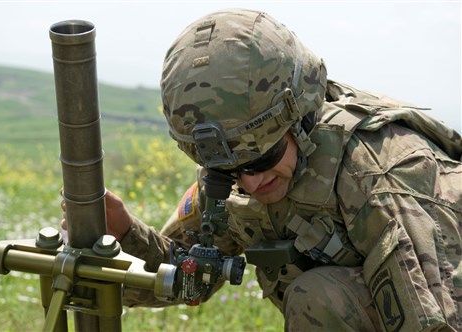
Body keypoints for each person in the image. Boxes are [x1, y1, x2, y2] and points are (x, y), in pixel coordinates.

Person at [62, 8, 461, 331]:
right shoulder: (231, 170)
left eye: (262, 161)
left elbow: (437, 319)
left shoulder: (378, 174)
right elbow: (189, 278)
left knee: (318, 296)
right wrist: (125, 234)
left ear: (300, 121)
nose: (250, 182)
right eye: (230, 171)